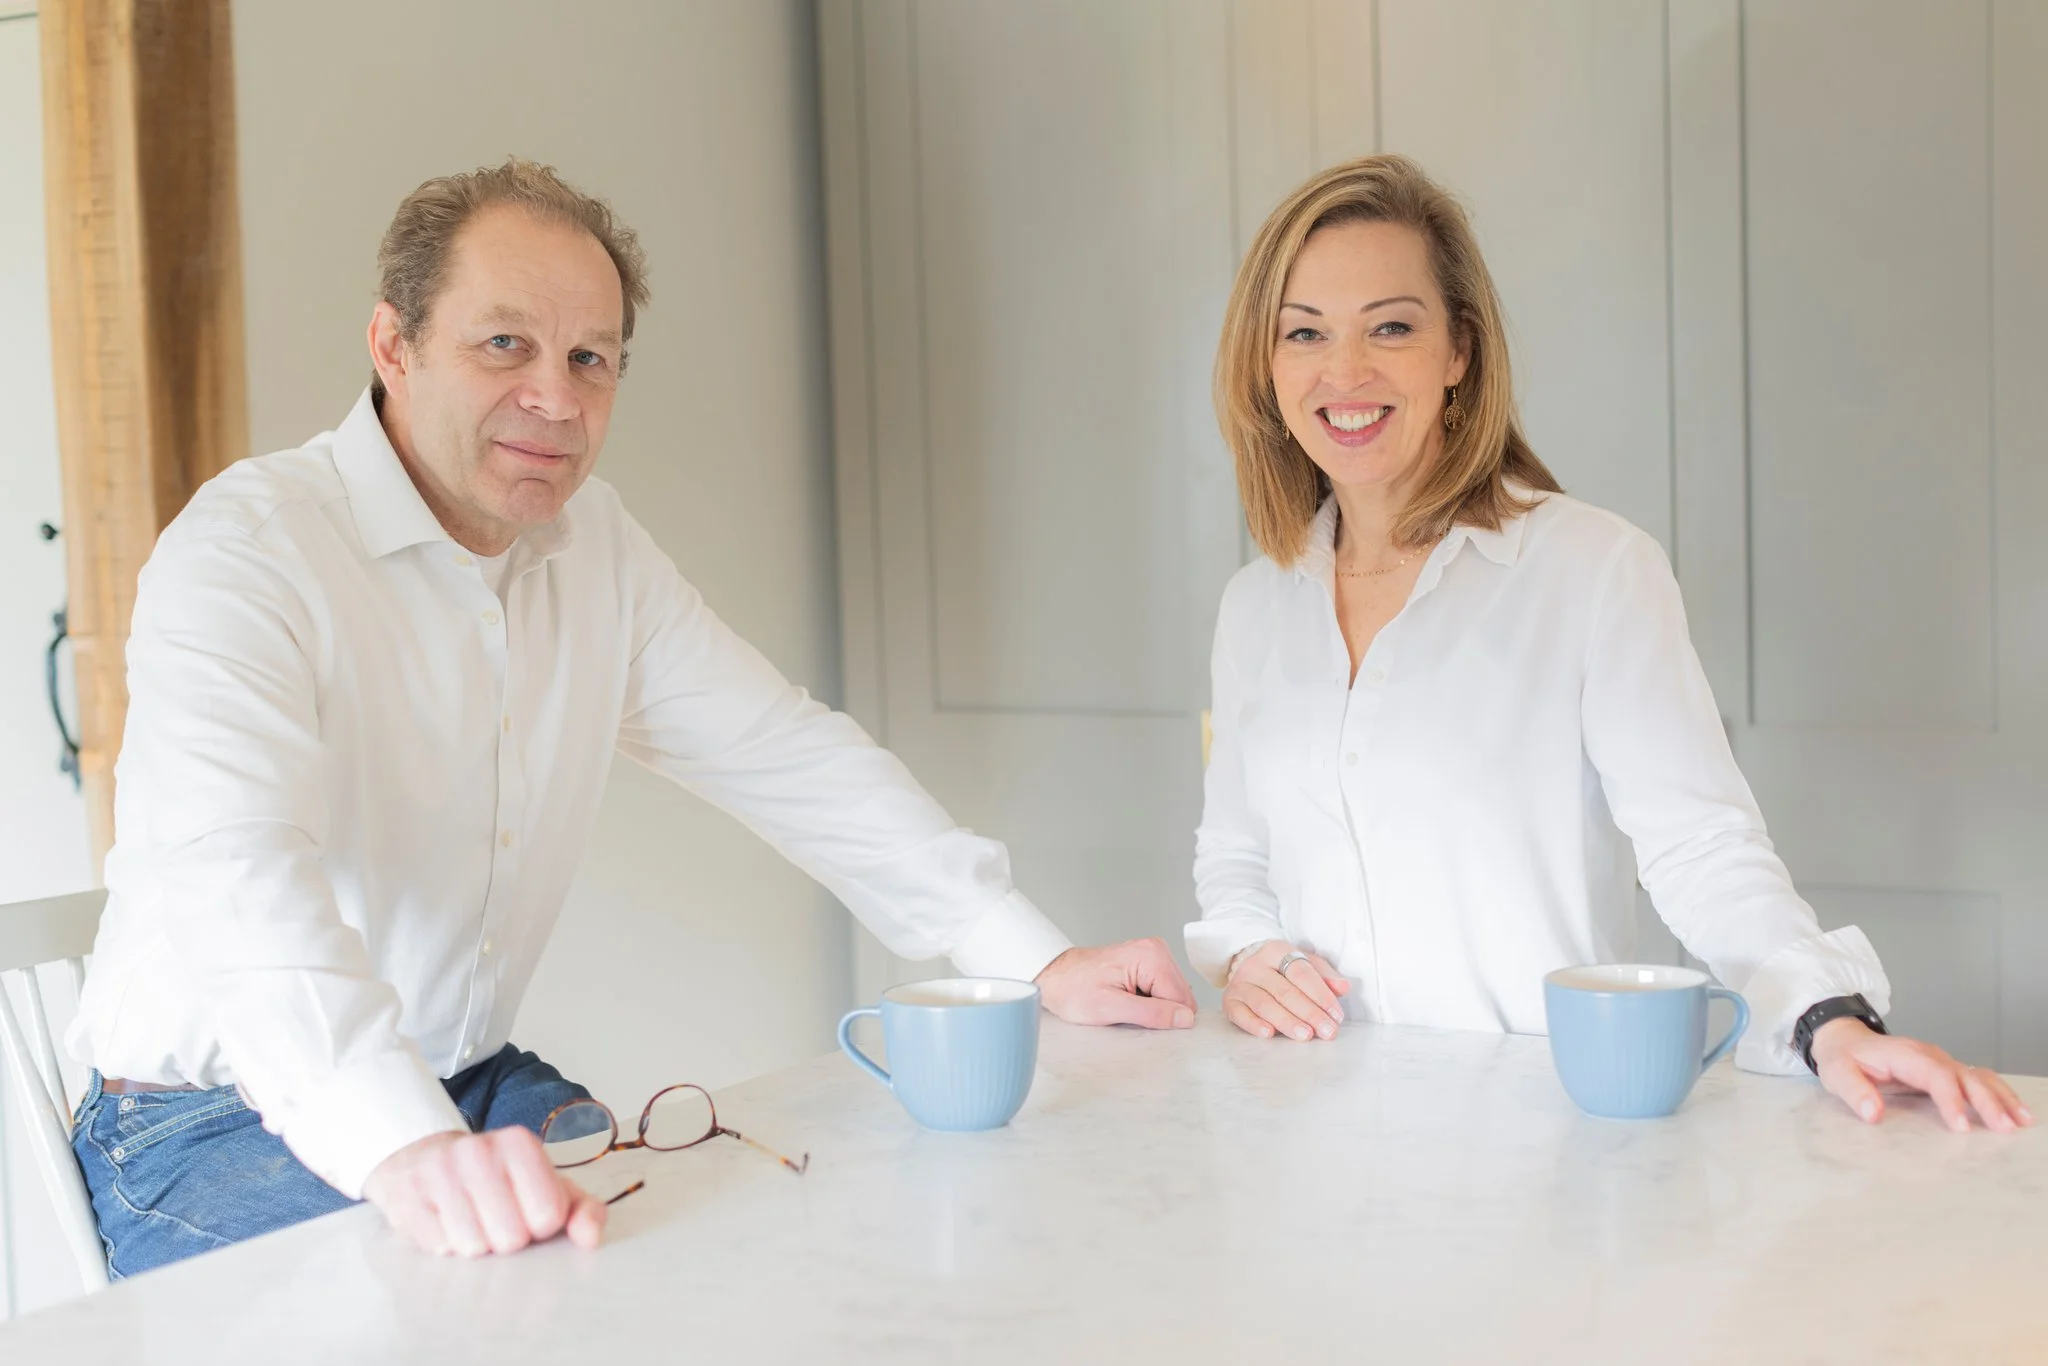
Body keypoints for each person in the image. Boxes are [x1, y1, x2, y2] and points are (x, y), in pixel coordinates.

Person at [68, 158, 1196, 1279]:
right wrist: (403, 1144)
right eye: (503, 343)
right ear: (391, 344)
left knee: (712, 1249)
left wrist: (1033, 957)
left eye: (589, 358)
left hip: (469, 1077)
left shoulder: (591, 546)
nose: (556, 399)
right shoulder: (248, 549)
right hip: (201, 1125)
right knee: (531, 1304)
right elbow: (239, 876)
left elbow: (782, 753)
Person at [1186, 154, 2027, 1135]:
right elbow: (1234, 856)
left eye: (1390, 326)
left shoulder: (1590, 570)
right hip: (1302, 1139)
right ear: (1266, 362)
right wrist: (1244, 954)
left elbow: (1699, 846)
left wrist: (1823, 1019)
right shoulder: (1254, 607)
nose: (1345, 372)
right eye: (1303, 332)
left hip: (1534, 1145)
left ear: (1457, 350)